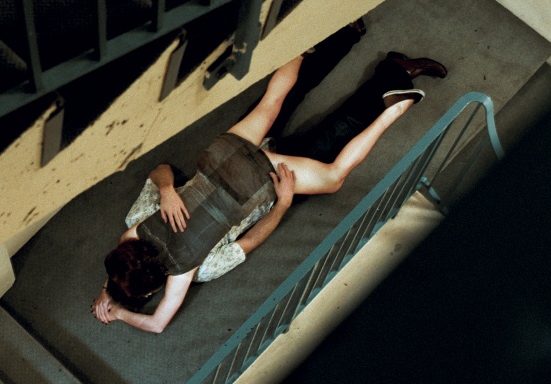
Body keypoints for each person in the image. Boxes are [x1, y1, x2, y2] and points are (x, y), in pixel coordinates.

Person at [91, 24, 447, 333]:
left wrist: (120, 310)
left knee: (334, 176)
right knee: (274, 101)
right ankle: (301, 35)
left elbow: (158, 323)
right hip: (223, 157)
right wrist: (164, 193)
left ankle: (395, 108)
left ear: (153, 289)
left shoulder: (189, 273)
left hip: (260, 182)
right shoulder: (134, 228)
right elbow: (147, 202)